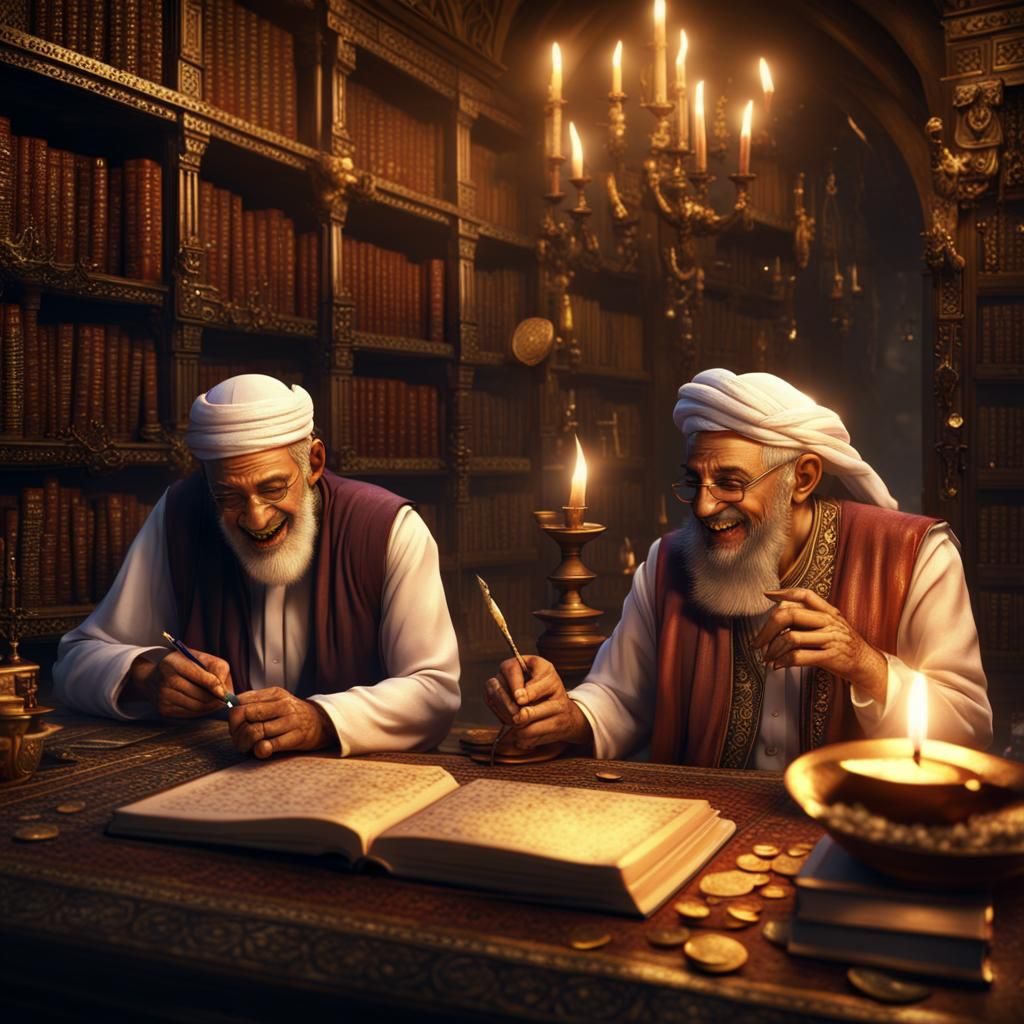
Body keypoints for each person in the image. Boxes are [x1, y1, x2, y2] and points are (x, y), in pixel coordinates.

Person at [485, 369, 992, 768]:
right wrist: (567, 713)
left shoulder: (916, 555)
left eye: (730, 482)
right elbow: (620, 698)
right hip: (697, 831)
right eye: (695, 482)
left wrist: (864, 663)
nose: (704, 508)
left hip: (853, 836)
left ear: (803, 477)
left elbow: (970, 732)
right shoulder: (668, 564)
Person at [54, 374, 460, 759]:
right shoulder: (180, 513)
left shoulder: (389, 527)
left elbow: (434, 692)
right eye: (229, 497)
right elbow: (74, 662)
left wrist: (320, 720)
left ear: (314, 463)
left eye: (272, 488)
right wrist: (146, 676)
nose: (256, 518)